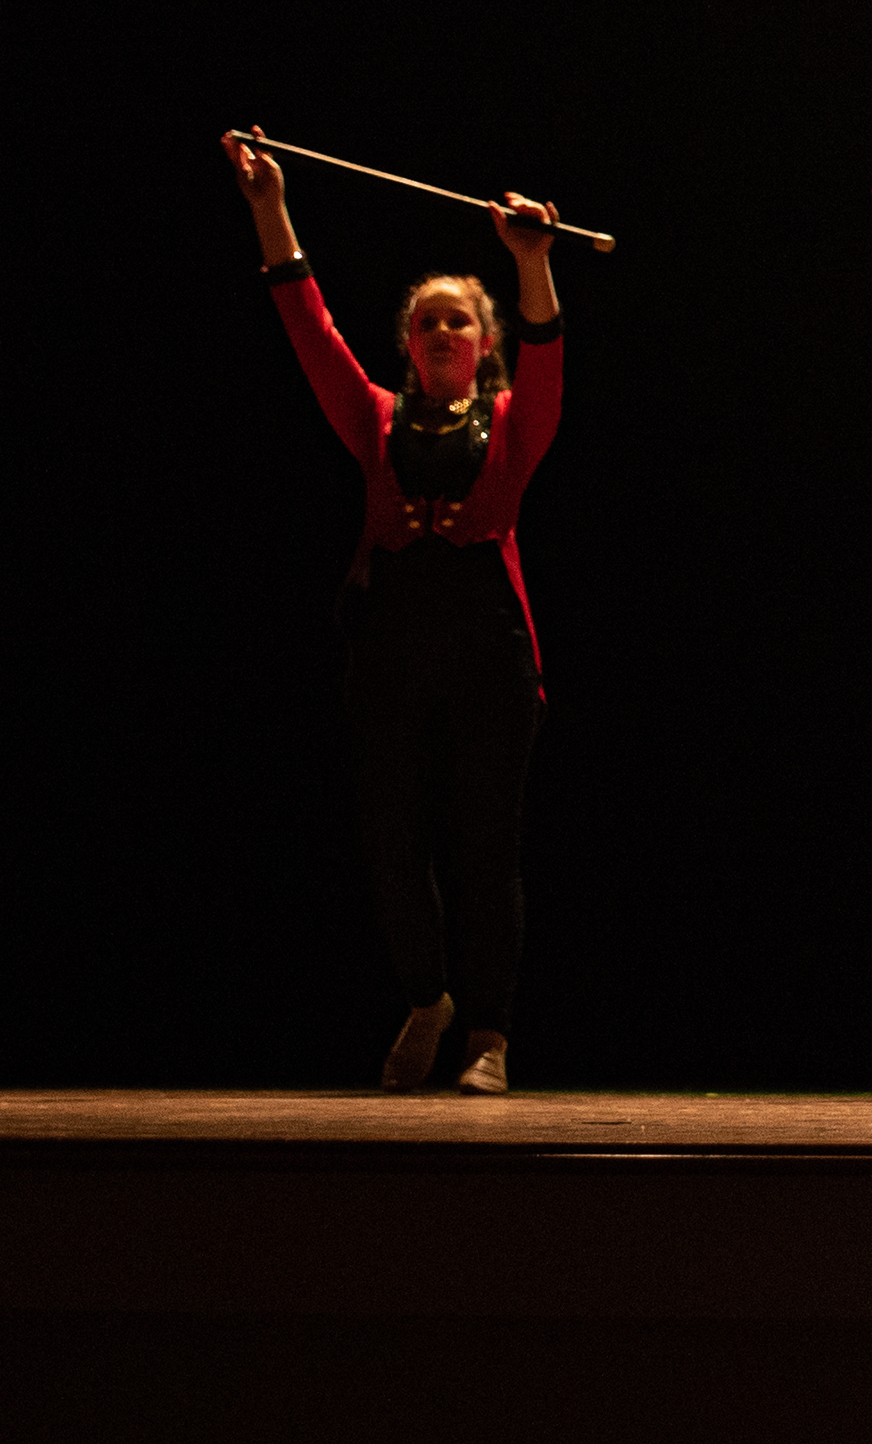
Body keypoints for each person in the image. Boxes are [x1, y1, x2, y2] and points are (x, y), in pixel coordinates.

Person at [225, 129, 566, 1096]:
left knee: (485, 848)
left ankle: (489, 1036)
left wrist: (531, 260)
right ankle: (427, 999)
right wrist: (269, 206)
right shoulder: (373, 417)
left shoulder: (514, 423)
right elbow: (308, 327)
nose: (443, 333)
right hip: (390, 650)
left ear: (485, 343)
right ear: (410, 344)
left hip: (490, 655)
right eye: (428, 323)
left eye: (460, 322)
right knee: (389, 841)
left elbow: (548, 353)